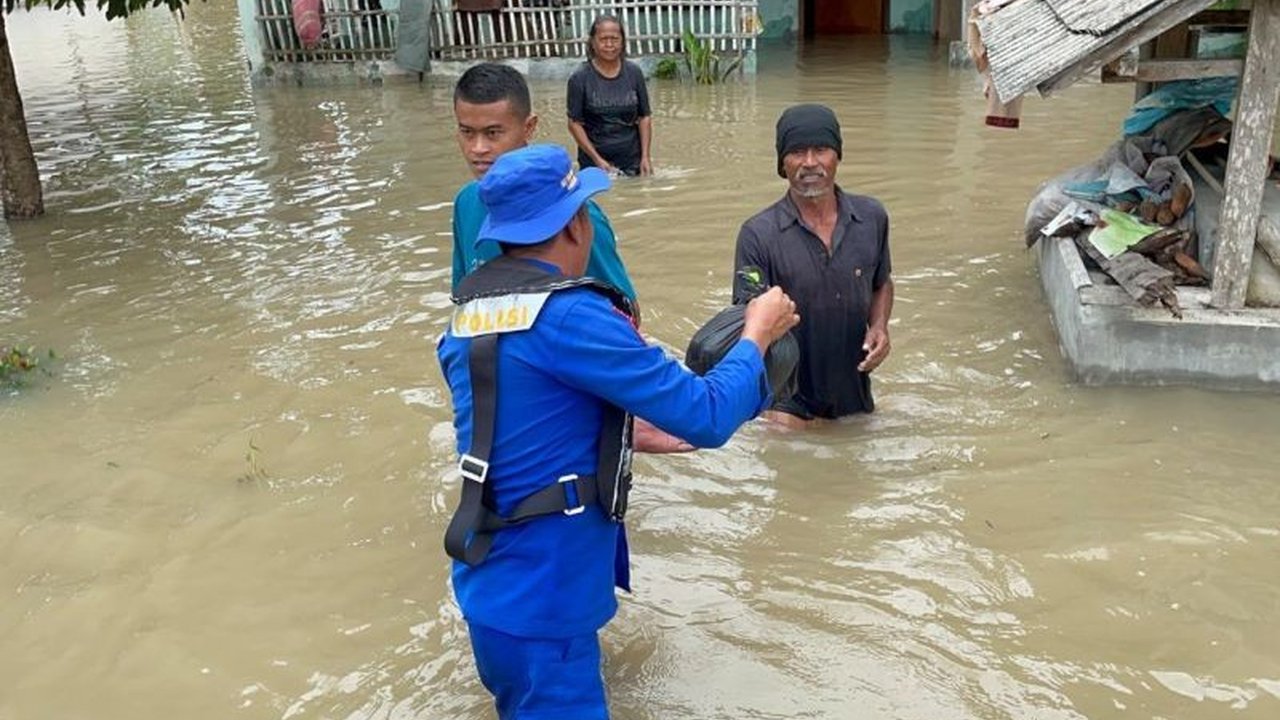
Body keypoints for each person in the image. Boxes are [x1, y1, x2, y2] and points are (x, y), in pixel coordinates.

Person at [437, 144, 799, 719]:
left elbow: (519, 422)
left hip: (492, 584)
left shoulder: (467, 317)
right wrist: (758, 333)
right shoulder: (573, 316)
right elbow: (704, 414)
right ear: (577, 223)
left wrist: (627, 428)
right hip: (546, 605)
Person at [732, 104, 895, 428]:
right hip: (786, 398)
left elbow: (882, 282)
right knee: (794, 469)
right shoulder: (757, 234)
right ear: (782, 163)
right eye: (796, 152)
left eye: (821, 149)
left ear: (837, 155)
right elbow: (746, 320)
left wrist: (879, 327)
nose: (809, 162)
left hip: (853, 389)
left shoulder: (871, 218)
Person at [451, 62, 637, 304]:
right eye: (467, 132)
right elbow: (462, 297)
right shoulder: (465, 203)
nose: (477, 148)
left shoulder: (575, 213)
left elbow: (624, 308)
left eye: (493, 133)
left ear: (529, 127)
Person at [566, 15, 653, 176]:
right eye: (603, 39)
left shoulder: (634, 73)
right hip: (594, 163)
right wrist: (597, 160)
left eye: (614, 39)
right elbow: (574, 124)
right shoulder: (579, 78)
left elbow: (644, 117)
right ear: (593, 42)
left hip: (632, 160)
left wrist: (645, 157)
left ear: (622, 41)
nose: (609, 45)